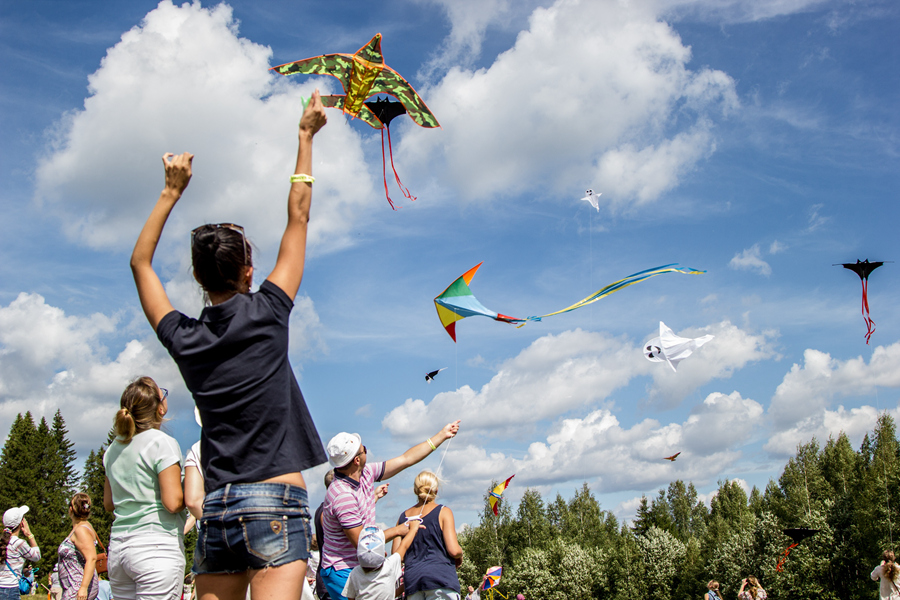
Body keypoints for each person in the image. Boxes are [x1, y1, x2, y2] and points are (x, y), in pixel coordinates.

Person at [130, 91, 329, 600]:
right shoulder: (269, 310)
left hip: (217, 505)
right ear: (249, 270)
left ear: (198, 277)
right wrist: (304, 137)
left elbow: (141, 264)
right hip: (277, 500)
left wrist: (170, 193)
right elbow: (299, 218)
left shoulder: (184, 337)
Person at [320, 422, 460, 600]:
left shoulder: (365, 473)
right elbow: (363, 543)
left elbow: (405, 459)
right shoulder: (342, 496)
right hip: (342, 569)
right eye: (364, 450)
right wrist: (399, 530)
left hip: (360, 566)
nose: (366, 451)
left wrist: (441, 435)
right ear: (356, 460)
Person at [103, 377, 186, 600]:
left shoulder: (112, 450)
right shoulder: (162, 442)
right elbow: (172, 503)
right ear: (160, 408)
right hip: (156, 547)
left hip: (119, 549)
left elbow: (109, 504)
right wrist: (191, 487)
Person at [392, 471, 463, 600]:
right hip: (441, 580)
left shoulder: (403, 517)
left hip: (413, 583)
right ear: (436, 490)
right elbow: (453, 550)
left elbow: (397, 556)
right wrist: (460, 554)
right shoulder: (444, 512)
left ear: (415, 490)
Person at [342, 523, 420, 600]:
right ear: (385, 553)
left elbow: (351, 597)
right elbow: (404, 546)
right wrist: (413, 529)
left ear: (358, 556)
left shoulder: (355, 573)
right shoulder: (389, 566)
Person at [58, 493, 100, 600]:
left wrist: (83, 587)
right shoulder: (83, 526)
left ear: (71, 509)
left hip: (77, 586)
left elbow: (91, 558)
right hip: (74, 585)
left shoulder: (81, 530)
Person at [0, 506, 40, 600]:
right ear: (21, 523)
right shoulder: (19, 543)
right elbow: (37, 556)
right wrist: (29, 535)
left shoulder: (1, 542)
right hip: (11, 590)